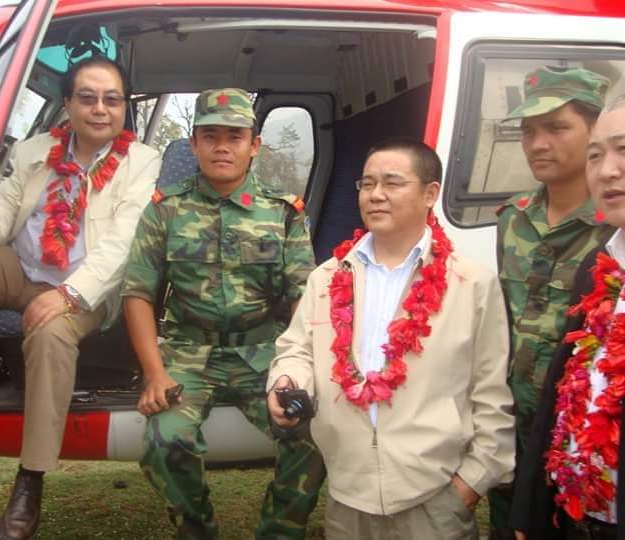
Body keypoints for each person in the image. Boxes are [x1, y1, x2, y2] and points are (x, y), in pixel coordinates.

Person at [267, 138, 515, 539]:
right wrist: (287, 380)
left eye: (392, 183)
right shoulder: (327, 278)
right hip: (348, 496)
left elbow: (492, 392)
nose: (376, 194)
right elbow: (297, 349)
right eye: (367, 184)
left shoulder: (470, 283)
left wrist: (470, 483)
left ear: (430, 194)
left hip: (435, 499)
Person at [0, 56, 161, 540]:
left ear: (124, 108)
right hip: (22, 268)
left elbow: (124, 244)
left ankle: (30, 478)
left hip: (90, 288)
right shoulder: (34, 151)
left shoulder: (142, 162)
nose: (100, 109)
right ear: (69, 104)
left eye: (112, 100)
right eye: (88, 98)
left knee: (50, 330)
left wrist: (69, 294)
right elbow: (3, 207)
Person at [121, 88, 325, 539]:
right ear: (193, 144)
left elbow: (303, 296)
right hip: (188, 353)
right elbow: (137, 293)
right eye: (210, 136)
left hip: (263, 352)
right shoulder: (164, 210)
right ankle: (197, 530)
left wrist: (301, 367)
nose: (222, 147)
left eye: (234, 137)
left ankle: (279, 532)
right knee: (165, 439)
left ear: (254, 145)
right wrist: (155, 374)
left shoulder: (283, 213)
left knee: (313, 433)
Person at [490, 66, 614, 539]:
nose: (538, 144)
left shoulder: (613, 226)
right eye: (528, 131)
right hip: (511, 417)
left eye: (557, 128)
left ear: (594, 130)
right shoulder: (513, 218)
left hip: (575, 427)